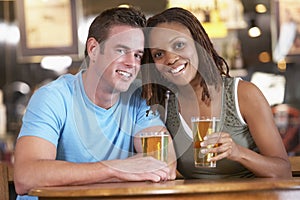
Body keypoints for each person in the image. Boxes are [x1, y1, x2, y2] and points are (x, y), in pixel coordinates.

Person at [14, 7, 176, 199]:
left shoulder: (139, 99)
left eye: (137, 55)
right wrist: (115, 169)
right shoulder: (53, 97)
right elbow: (25, 177)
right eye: (121, 50)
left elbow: (165, 165)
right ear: (93, 49)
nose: (131, 63)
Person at [141, 7, 291, 179]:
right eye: (159, 54)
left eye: (179, 45)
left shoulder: (243, 94)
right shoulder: (163, 105)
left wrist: (238, 152)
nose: (170, 59)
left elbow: (283, 171)